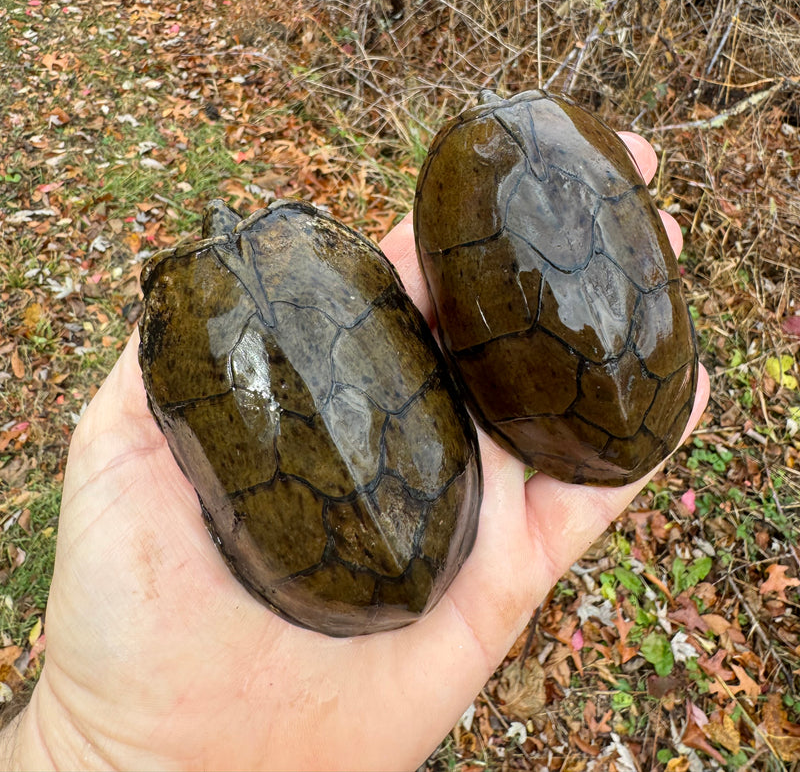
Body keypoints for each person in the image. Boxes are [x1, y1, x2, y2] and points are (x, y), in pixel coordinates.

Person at [0, 132, 709, 772]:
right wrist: (80, 746)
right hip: (416, 504)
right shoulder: (238, 271)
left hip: (408, 513)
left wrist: (75, 752)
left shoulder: (187, 294)